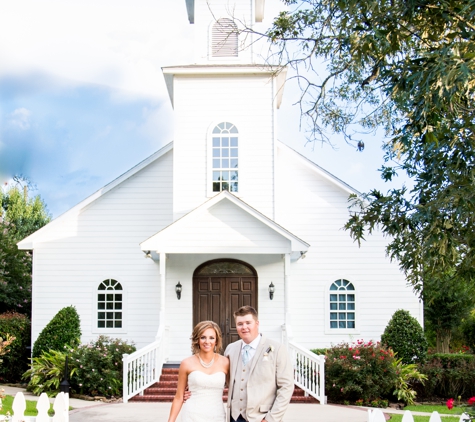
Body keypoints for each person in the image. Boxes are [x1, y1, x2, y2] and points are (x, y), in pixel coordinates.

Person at [225, 306, 294, 422]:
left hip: (261, 417)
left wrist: (271, 419)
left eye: (248, 323)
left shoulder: (277, 349)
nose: (244, 327)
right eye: (240, 324)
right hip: (235, 417)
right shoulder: (230, 349)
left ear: (257, 323)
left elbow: (286, 387)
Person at [168, 320, 229, 422]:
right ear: (197, 340)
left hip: (217, 415)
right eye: (203, 337)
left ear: (216, 341)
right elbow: (178, 397)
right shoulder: (186, 363)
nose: (207, 341)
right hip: (192, 415)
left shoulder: (225, 363)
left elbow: (236, 390)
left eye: (211, 338)